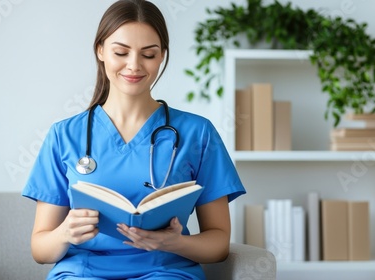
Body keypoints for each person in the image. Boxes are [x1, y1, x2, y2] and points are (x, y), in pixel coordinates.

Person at [21, 0, 246, 279]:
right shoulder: (64, 135)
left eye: (148, 55)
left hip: (166, 270)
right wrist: (66, 233)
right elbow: (40, 250)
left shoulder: (198, 133)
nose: (134, 65)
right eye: (121, 52)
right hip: (83, 271)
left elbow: (219, 244)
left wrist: (175, 243)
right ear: (100, 50)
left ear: (162, 55)